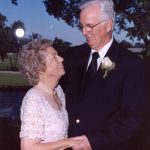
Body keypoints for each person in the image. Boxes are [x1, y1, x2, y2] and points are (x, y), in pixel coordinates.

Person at [60, 0, 146, 149]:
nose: (84, 32)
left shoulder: (131, 65)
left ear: (109, 25)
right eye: (82, 26)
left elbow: (133, 119)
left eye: (90, 26)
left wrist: (94, 141)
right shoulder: (71, 56)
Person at [19, 39, 82, 150]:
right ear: (40, 68)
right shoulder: (34, 99)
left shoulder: (58, 91)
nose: (61, 59)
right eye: (54, 56)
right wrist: (67, 142)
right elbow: (28, 147)